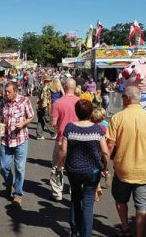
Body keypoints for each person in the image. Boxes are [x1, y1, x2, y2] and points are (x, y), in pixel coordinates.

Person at [106, 86, 146, 237]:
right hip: (145, 169)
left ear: (126, 98)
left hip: (122, 168)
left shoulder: (117, 118)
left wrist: (104, 164)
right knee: (142, 206)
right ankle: (139, 235)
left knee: (120, 199)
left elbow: (110, 145)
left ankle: (125, 228)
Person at [56, 99, 110, 237]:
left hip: (73, 169)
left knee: (75, 198)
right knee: (87, 204)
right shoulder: (98, 129)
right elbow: (105, 152)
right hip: (92, 171)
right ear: (91, 112)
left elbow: (63, 151)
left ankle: (75, 231)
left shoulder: (69, 127)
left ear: (77, 112)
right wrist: (105, 167)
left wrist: (59, 167)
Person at [0, 81, 34, 206]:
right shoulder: (3, 102)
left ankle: (18, 194)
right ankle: (11, 183)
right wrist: (1, 127)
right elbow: (0, 118)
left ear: (15, 91)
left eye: (9, 92)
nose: (6, 94)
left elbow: (31, 116)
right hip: (6, 140)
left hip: (20, 139)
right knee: (3, 167)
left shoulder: (24, 101)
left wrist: (23, 124)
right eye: (5, 91)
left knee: (19, 168)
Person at [50, 78, 80, 202]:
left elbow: (53, 123)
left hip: (62, 138)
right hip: (79, 139)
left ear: (65, 87)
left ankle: (57, 192)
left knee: (57, 166)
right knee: (76, 167)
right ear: (75, 87)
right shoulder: (81, 102)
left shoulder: (57, 103)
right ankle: (75, 190)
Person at [36, 75, 56, 140]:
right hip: (44, 106)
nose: (51, 82)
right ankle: (53, 134)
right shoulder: (46, 88)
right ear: (47, 81)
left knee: (40, 121)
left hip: (39, 106)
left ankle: (39, 135)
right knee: (47, 120)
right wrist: (45, 107)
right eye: (50, 81)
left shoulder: (41, 86)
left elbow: (39, 96)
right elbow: (44, 98)